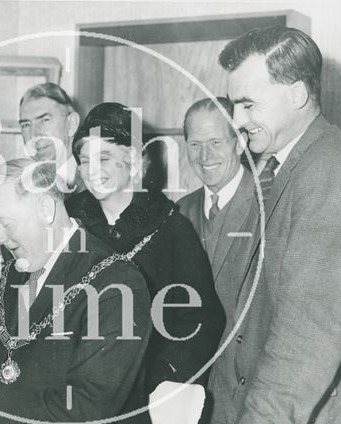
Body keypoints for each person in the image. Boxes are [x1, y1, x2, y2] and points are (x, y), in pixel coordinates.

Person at [186, 27, 341, 424]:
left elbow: (312, 327)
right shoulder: (285, 168)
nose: (235, 119)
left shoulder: (327, 173)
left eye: (248, 103)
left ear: (296, 94)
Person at [0, 158, 152, 424]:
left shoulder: (116, 284)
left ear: (46, 209)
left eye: (5, 222)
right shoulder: (13, 272)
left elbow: (89, 408)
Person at [67, 102, 225, 398]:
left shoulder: (170, 229)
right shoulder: (67, 222)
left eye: (104, 158)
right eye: (84, 160)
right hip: (73, 388)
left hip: (142, 392)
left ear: (135, 162)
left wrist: (162, 382)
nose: (92, 171)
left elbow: (198, 324)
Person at [177, 97, 256, 424]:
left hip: (251, 397)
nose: (204, 156)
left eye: (215, 143)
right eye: (195, 144)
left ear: (239, 143)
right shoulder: (179, 212)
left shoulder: (270, 205)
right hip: (195, 398)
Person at [19, 82, 84, 194]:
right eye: (26, 125)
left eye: (45, 120)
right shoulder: (23, 187)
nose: (34, 135)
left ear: (72, 124)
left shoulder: (94, 182)